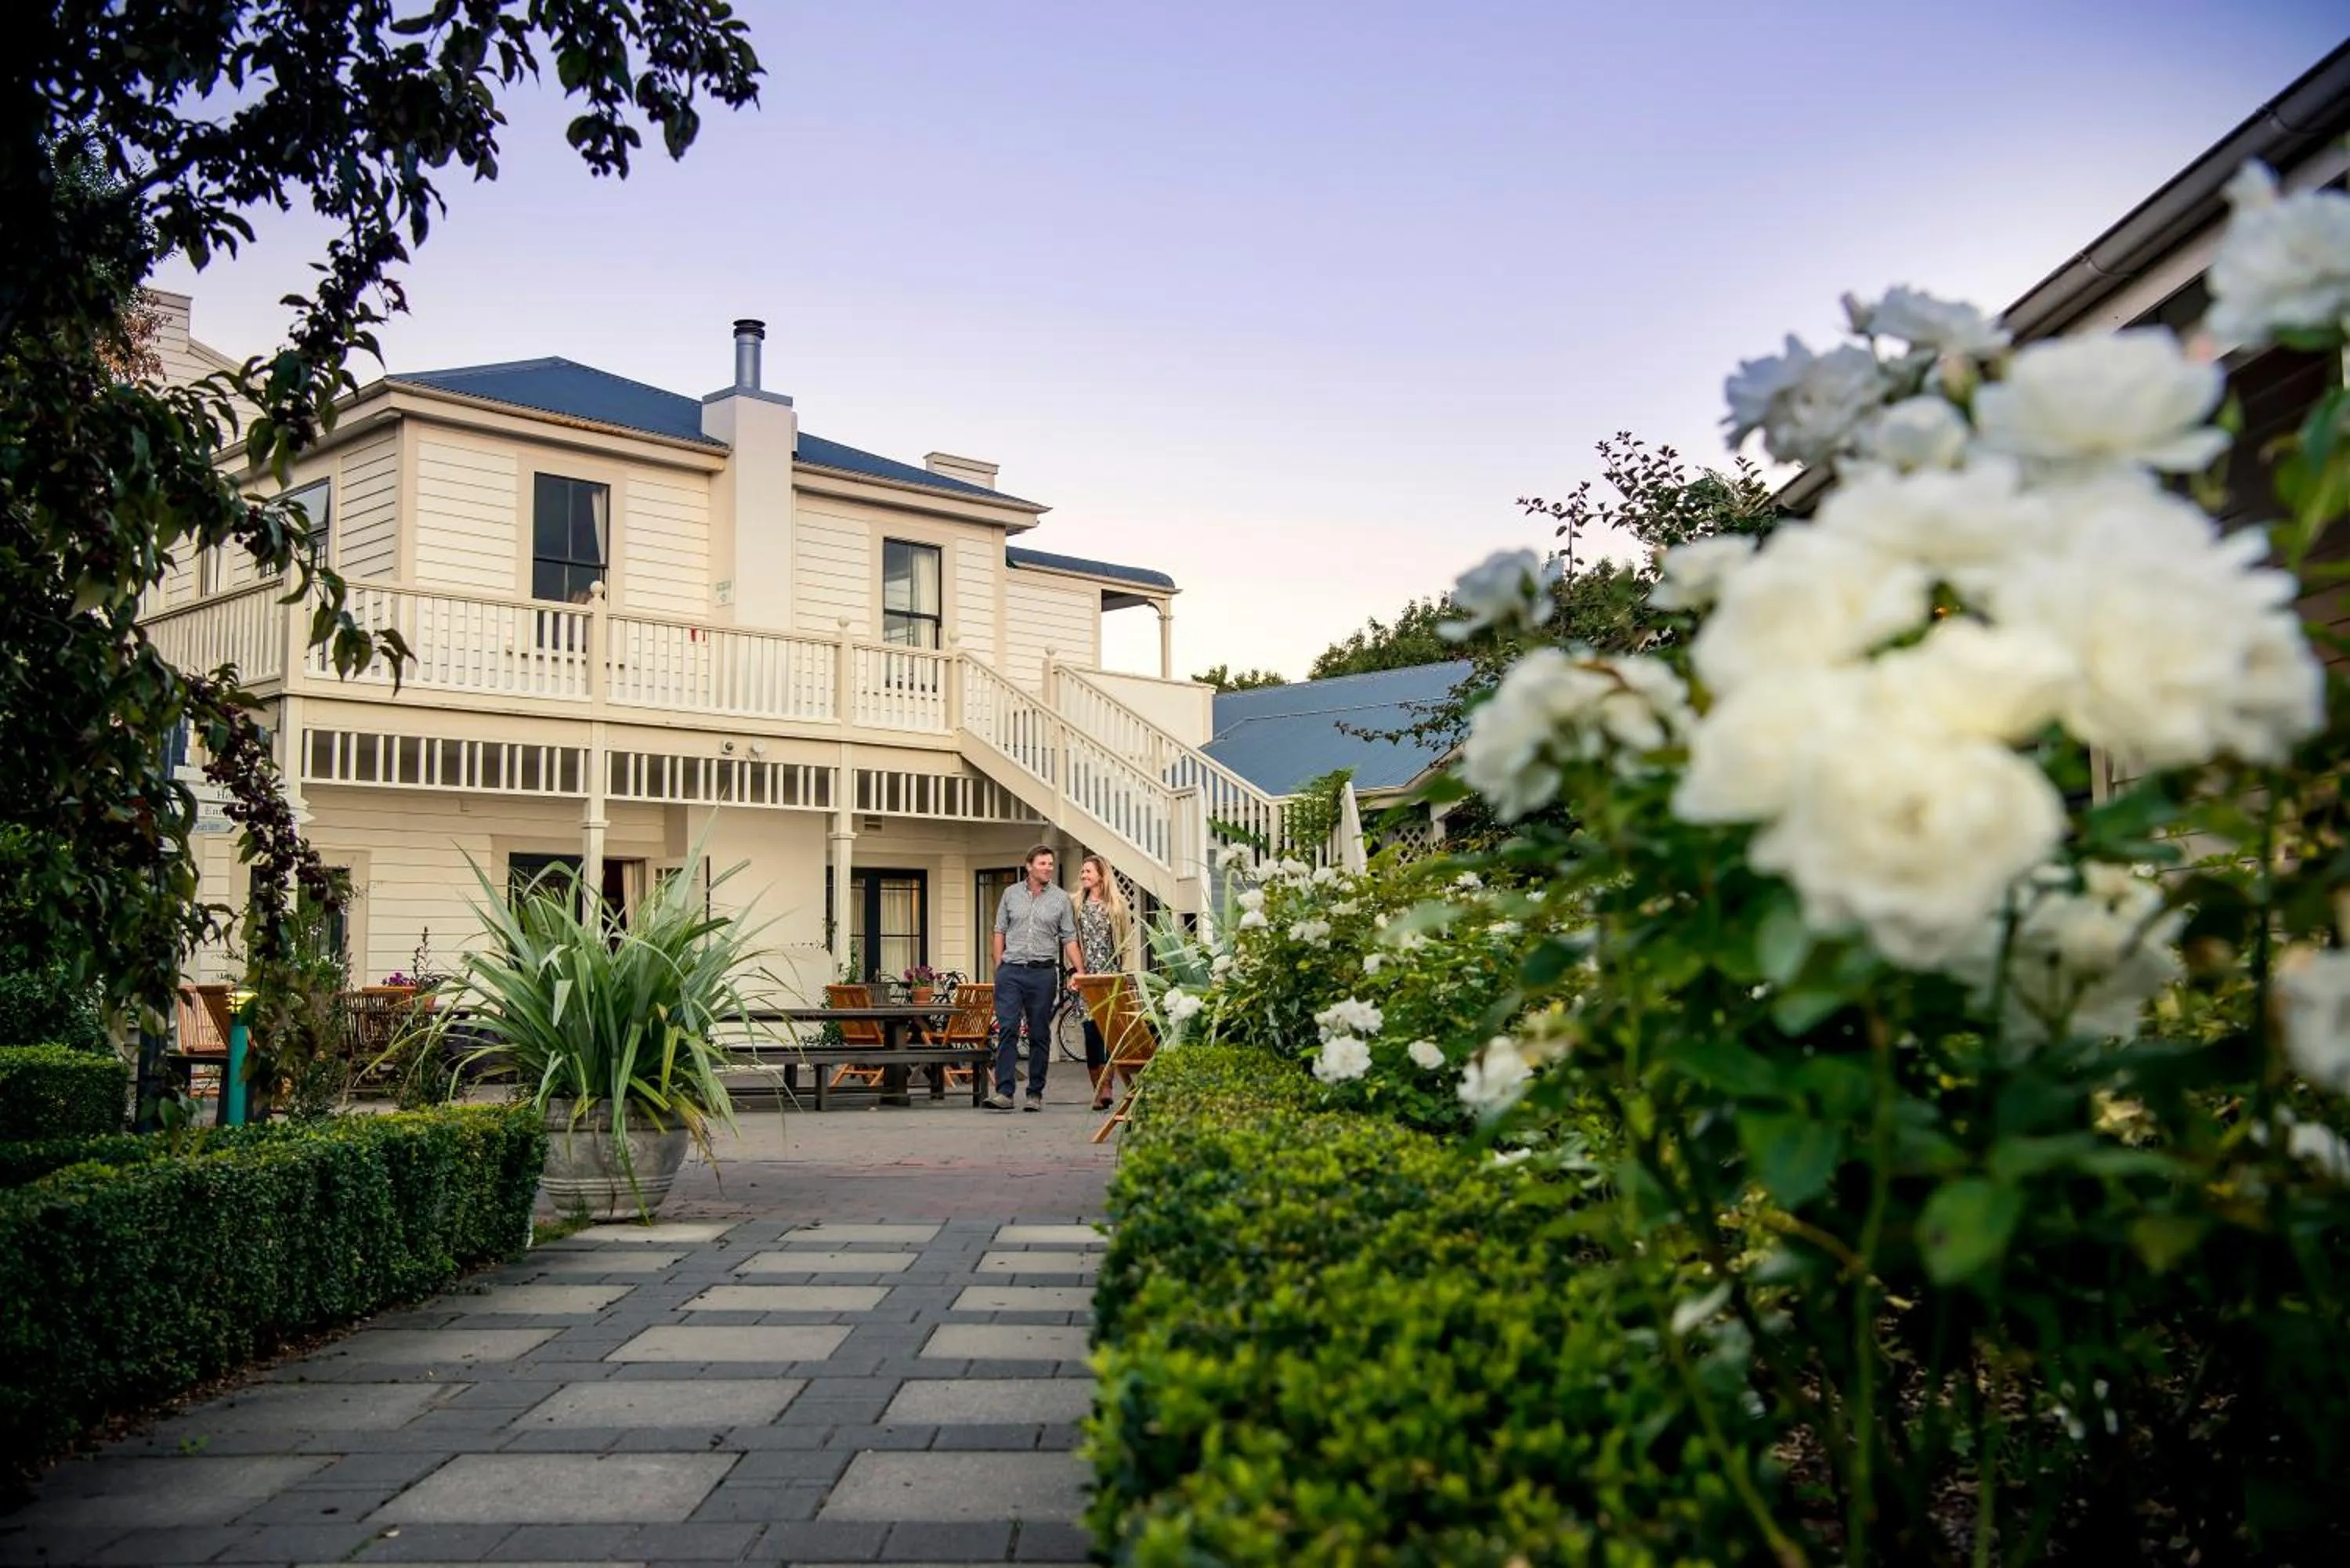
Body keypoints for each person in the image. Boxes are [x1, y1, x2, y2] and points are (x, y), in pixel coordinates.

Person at [989, 844, 1081, 1112]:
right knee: (1007, 1029)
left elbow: (1069, 938)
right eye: (1042, 863)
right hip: (1011, 971)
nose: (1048, 868)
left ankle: (1034, 1093)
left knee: (1039, 1033)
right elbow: (999, 931)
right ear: (1029, 866)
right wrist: (999, 967)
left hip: (1042, 974)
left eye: (1050, 864)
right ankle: (1004, 1093)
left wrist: (1080, 972)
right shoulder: (1010, 894)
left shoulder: (1061, 899)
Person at [1074, 854, 1128, 1111]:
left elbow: (1124, 944)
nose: (1084, 876)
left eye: (1088, 872)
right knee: (1090, 1032)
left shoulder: (1117, 906)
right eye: (1083, 872)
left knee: (1109, 1032)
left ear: (1101, 876)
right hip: (1086, 976)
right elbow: (1070, 940)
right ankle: (1097, 1088)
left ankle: (1107, 1086)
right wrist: (1075, 972)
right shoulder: (1076, 904)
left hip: (1110, 977)